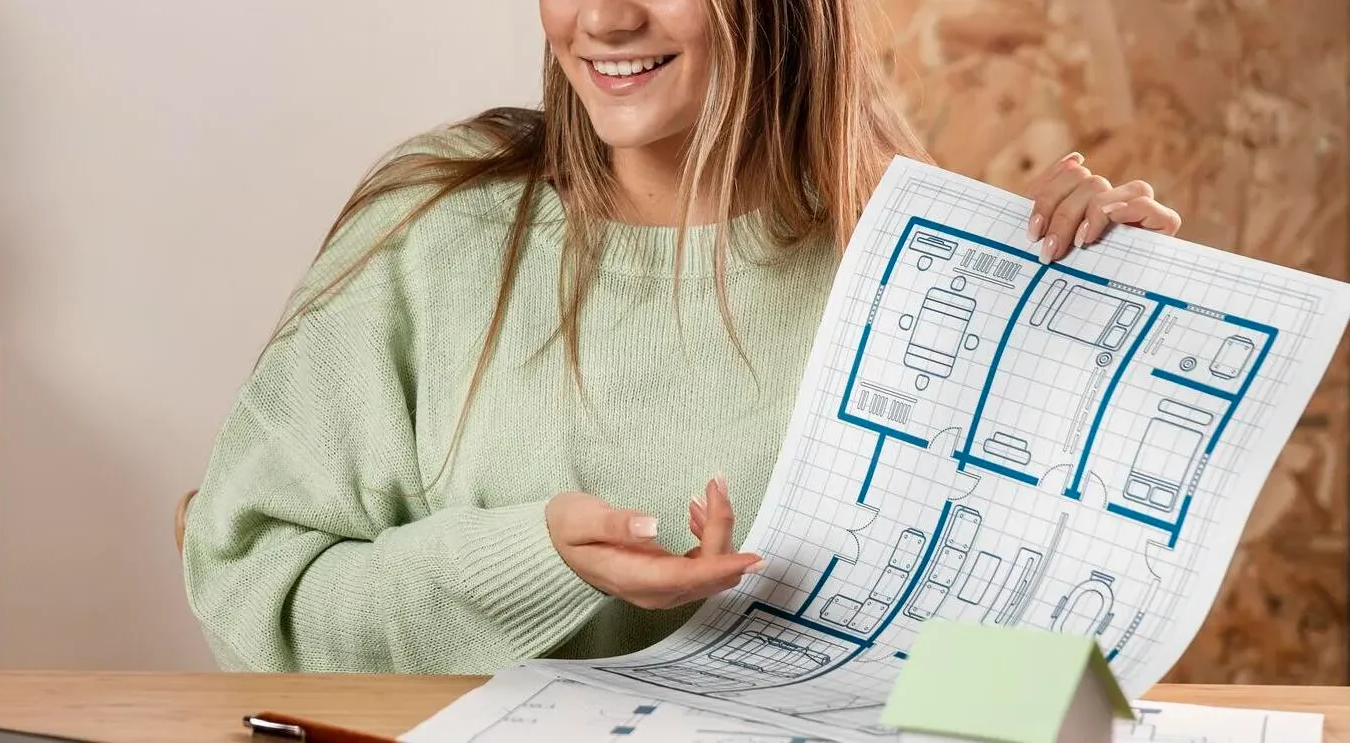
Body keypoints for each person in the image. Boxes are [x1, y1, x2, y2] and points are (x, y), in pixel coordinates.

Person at [180, 0, 1183, 674]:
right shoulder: (436, 226)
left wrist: (1101, 351)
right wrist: (530, 560)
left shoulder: (927, 275)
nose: (606, 18)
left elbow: (1037, 698)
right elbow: (257, 598)